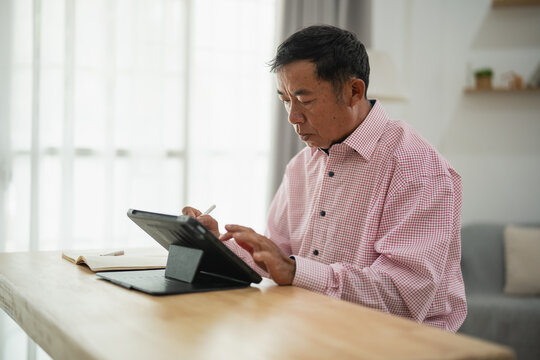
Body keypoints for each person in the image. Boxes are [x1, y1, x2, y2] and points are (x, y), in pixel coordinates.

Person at [183, 25, 466, 332]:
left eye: (304, 99)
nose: (292, 117)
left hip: (401, 343)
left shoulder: (416, 168)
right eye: (285, 100)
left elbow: (402, 297)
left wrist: (294, 270)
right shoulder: (302, 165)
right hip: (315, 328)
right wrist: (216, 246)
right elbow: (276, 262)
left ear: (354, 92)